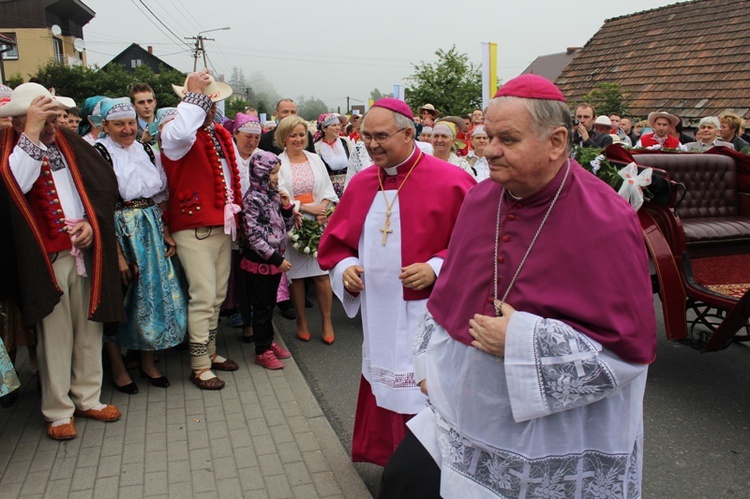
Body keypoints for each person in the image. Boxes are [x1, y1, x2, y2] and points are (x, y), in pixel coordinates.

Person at [379, 74, 657, 498]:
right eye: (488, 136)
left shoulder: (607, 219)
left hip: (550, 433)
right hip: (464, 408)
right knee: (402, 481)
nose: (489, 149)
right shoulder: (479, 199)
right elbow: (447, 301)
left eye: (507, 139)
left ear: (556, 141)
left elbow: (626, 353)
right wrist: (428, 367)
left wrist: (522, 340)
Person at [317, 97, 475, 466]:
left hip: (429, 313)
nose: (372, 144)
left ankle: (432, 469)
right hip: (380, 312)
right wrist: (345, 269)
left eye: (381, 136)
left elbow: (477, 246)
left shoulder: (452, 181)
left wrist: (436, 266)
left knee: (426, 386)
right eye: (367, 136)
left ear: (408, 134)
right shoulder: (360, 183)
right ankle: (389, 461)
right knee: (385, 379)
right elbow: (336, 244)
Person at [0, 82, 124, 440]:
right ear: (20, 121)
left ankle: (88, 397)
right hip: (47, 257)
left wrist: (89, 223)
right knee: (54, 336)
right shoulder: (14, 149)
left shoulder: (69, 146)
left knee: (89, 328)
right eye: (45, 118)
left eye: (55, 118)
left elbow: (95, 187)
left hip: (84, 250)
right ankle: (57, 411)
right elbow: (15, 184)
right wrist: (34, 133)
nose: (55, 126)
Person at [93, 97, 187, 393]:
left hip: (149, 228)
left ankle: (148, 361)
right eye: (119, 123)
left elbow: (159, 196)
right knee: (120, 298)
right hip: (118, 230)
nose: (127, 129)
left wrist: (166, 231)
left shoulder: (146, 149)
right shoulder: (99, 153)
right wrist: (117, 254)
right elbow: (98, 206)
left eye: (131, 122)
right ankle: (118, 367)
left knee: (153, 295)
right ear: (104, 125)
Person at [160, 71, 241, 390]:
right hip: (193, 226)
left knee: (217, 295)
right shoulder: (174, 131)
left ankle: (209, 351)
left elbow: (233, 178)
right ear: (189, 101)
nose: (210, 108)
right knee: (203, 295)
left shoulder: (219, 134)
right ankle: (198, 364)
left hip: (221, 223)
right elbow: (181, 134)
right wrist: (193, 97)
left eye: (213, 102)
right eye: (206, 102)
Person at [277, 115, 339, 343]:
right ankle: (301, 320)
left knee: (322, 274)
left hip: (319, 222)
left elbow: (328, 188)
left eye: (301, 134)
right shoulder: (278, 162)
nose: (298, 139)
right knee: (298, 276)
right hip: (296, 222)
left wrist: (323, 206)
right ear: (283, 137)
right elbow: (281, 194)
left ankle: (327, 320)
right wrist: (307, 208)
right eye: (292, 135)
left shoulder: (314, 158)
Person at [240, 151, 294, 369]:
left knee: (269, 305)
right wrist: (275, 259)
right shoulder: (252, 199)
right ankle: (261, 350)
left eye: (277, 173)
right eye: (273, 173)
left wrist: (287, 208)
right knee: (261, 308)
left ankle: (268, 341)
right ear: (260, 173)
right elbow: (253, 236)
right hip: (261, 263)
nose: (276, 177)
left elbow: (285, 227)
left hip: (273, 262)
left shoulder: (272, 195)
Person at [314, 113, 353, 198]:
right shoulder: (317, 148)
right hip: (329, 191)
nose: (338, 128)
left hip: (349, 186)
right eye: (334, 125)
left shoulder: (345, 142)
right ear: (324, 128)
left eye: (338, 125)